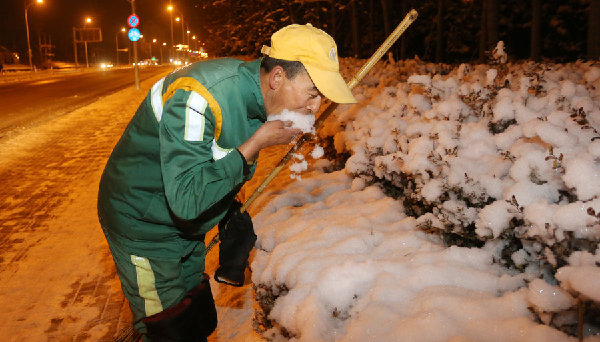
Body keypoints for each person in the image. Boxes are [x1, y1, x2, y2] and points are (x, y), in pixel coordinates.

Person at [97, 23, 356, 341]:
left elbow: (212, 162)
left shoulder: (258, 102)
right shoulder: (199, 97)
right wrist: (254, 145)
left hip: (186, 226)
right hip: (144, 224)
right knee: (166, 328)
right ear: (277, 78)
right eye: (312, 93)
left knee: (194, 312)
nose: (315, 106)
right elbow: (187, 198)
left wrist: (228, 210)